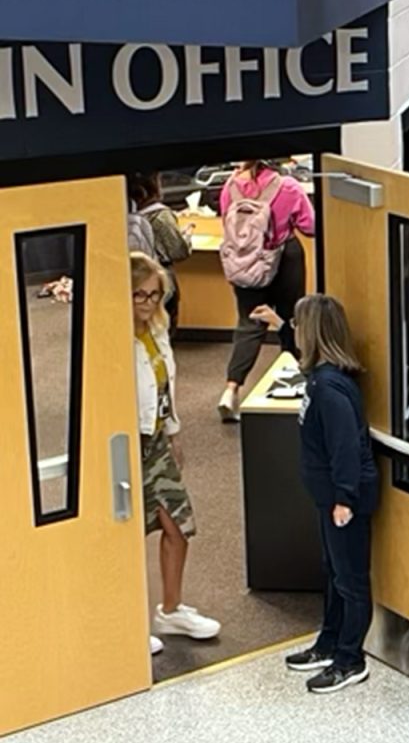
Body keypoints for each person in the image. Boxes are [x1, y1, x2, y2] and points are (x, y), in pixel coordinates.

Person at [255, 295, 377, 694]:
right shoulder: (322, 376)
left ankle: (350, 659)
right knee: (335, 573)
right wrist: (280, 328)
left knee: (351, 580)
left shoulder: (329, 390)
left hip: (345, 501)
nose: (295, 329)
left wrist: (344, 498)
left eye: (297, 324)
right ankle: (329, 642)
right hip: (329, 500)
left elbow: (345, 449)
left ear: (314, 334)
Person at [131, 252, 221, 657]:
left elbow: (164, 389)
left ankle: (169, 610)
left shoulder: (156, 331)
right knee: (126, 534)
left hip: (156, 440)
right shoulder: (113, 339)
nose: (148, 304)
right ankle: (127, 620)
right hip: (126, 443)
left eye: (154, 295)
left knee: (178, 524)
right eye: (139, 295)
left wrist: (174, 433)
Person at [217, 160, 315, 422]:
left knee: (249, 324)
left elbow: (228, 223)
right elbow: (310, 226)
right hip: (285, 259)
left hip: (245, 263)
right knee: (290, 319)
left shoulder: (230, 187)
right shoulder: (289, 187)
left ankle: (230, 390)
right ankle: (298, 386)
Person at [128, 172, 192, 332]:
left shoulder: (126, 214)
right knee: (161, 328)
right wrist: (187, 238)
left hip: (133, 279)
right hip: (159, 275)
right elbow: (178, 251)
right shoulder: (160, 215)